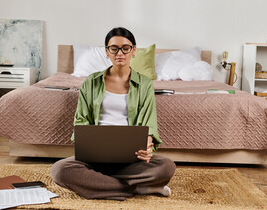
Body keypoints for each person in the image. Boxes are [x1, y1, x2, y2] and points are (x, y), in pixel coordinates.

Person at [51, 27, 176, 200]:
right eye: (114, 48)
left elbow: (149, 123)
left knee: (166, 166)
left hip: (131, 158)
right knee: (59, 170)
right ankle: (138, 189)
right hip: (95, 158)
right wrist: (88, 146)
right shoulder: (91, 82)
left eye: (125, 48)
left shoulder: (145, 84)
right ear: (106, 51)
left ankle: (97, 186)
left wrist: (147, 144)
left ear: (133, 51)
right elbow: (81, 120)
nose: (120, 53)